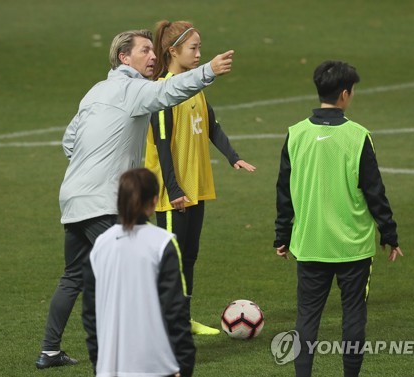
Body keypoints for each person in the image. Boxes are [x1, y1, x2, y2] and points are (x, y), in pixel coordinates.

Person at [35, 28, 235, 370]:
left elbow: (69, 141)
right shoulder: (133, 90)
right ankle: (142, 351)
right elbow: (171, 91)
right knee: (131, 277)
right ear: (123, 58)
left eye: (152, 51)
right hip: (104, 202)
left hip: (73, 197)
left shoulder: (95, 92)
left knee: (73, 276)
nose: (153, 56)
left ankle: (50, 350)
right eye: (144, 51)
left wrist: (91, 167)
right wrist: (209, 71)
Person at [273, 60, 403, 377]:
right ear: (344, 94)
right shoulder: (358, 137)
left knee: (306, 317)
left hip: (310, 243)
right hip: (353, 247)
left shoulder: (296, 134)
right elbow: (375, 192)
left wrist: (282, 236)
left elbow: (284, 192)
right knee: (354, 314)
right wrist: (389, 234)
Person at [144, 20, 256, 336]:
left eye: (200, 48)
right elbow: (163, 144)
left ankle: (181, 318)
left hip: (195, 187)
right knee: (172, 261)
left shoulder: (194, 89)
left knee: (189, 255)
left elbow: (212, 126)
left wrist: (233, 157)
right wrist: (174, 187)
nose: (198, 54)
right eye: (193, 48)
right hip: (171, 191)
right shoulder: (162, 93)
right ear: (173, 51)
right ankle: (163, 327)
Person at [90, 168, 194, 377]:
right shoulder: (162, 242)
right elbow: (175, 310)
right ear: (155, 201)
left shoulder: (100, 244)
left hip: (109, 369)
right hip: (155, 366)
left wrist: (99, 364)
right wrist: (185, 364)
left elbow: (90, 316)